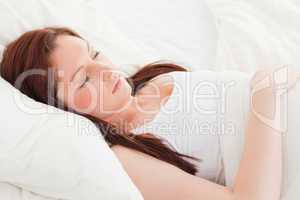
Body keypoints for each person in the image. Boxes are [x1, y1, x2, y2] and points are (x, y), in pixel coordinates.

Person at [1, 27, 299, 200]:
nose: (105, 70)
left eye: (93, 54)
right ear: (64, 110)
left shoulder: (153, 79)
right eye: (85, 79)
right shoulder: (127, 155)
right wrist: (266, 97)